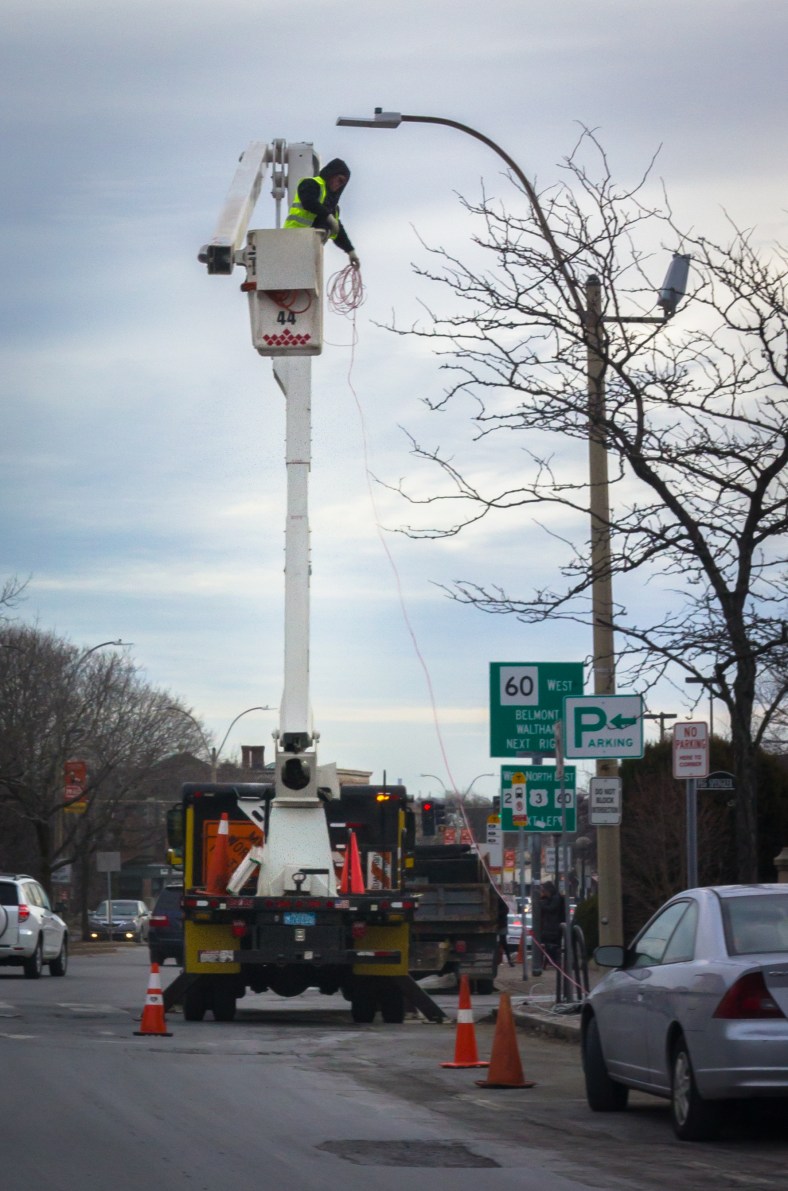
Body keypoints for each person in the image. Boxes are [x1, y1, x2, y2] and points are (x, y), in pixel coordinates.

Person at [284, 158, 360, 269]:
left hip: (309, 250)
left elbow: (338, 231)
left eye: (343, 183)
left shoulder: (332, 206)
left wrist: (350, 251)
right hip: (292, 239)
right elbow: (309, 202)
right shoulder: (311, 184)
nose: (339, 185)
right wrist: (328, 217)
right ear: (331, 174)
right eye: (339, 180)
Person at [540, 880, 566, 967]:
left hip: (554, 927)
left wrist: (541, 904)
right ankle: (552, 961)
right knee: (549, 945)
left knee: (552, 945)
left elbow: (551, 909)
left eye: (544, 891)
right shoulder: (552, 898)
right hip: (551, 926)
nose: (544, 893)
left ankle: (553, 961)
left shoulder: (556, 898)